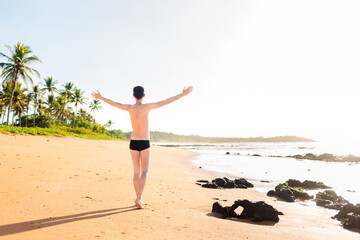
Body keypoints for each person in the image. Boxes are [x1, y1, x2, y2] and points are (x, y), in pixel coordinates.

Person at [91, 86, 193, 209]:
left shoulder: (129, 108)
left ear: (133, 95)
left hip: (133, 141)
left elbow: (115, 104)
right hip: (144, 141)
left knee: (136, 171)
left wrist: (101, 97)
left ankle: (138, 197)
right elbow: (166, 101)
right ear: (144, 95)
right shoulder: (147, 107)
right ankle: (139, 197)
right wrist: (182, 94)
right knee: (144, 171)